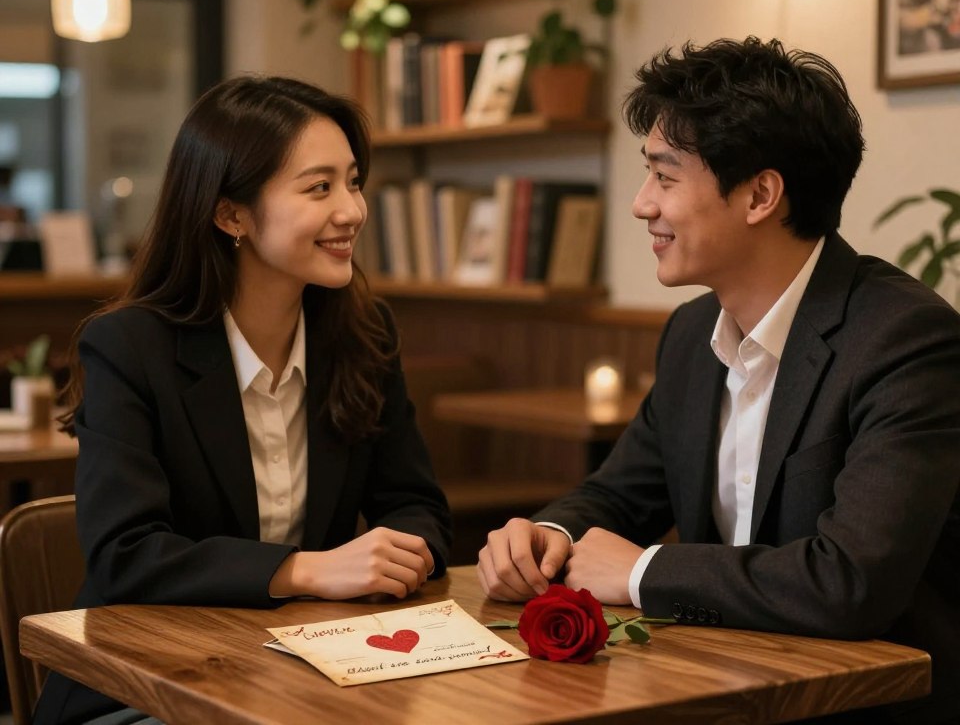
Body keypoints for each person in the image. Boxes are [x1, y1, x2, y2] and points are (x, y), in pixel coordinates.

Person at [478, 37, 960, 724]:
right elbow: (619, 494)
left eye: (666, 177)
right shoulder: (691, 334)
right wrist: (546, 533)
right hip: (726, 685)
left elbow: (850, 582)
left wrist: (641, 572)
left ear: (761, 194)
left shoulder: (904, 340)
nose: (643, 204)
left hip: (866, 702)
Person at [34, 76, 452, 725]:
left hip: (306, 672)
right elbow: (126, 554)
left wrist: (402, 552)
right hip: (142, 689)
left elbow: (414, 503)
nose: (352, 210)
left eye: (353, 181)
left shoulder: (366, 336)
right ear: (230, 214)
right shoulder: (129, 347)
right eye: (320, 187)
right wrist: (308, 571)